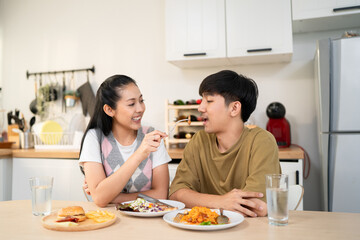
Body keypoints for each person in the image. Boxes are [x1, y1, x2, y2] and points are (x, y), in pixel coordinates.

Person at [169, 70, 281, 217]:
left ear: (234, 108)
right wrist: (221, 202)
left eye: (209, 101)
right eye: (202, 100)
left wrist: (198, 201)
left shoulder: (261, 142)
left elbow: (256, 207)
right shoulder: (198, 141)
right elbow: (176, 195)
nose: (200, 108)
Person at [79, 75, 171, 207]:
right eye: (131, 104)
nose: (140, 109)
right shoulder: (94, 138)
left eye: (141, 100)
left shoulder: (152, 136)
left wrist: (111, 196)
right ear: (109, 110)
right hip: (109, 219)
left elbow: (161, 195)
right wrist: (139, 154)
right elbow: (100, 197)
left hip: (149, 219)